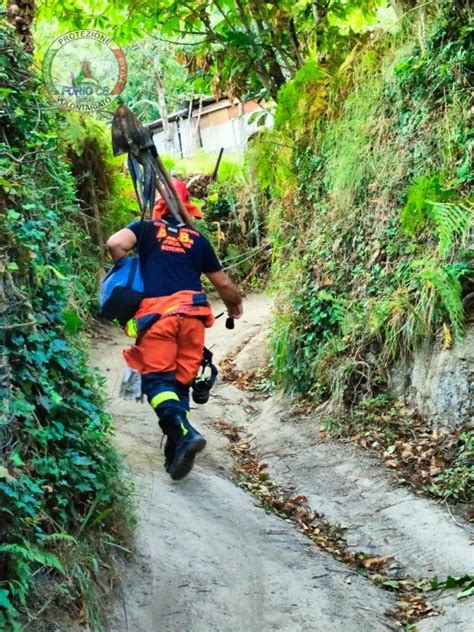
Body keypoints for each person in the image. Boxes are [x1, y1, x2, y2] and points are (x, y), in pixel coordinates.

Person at [106, 178, 243, 481]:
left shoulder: (145, 229)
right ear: (187, 206)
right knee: (179, 384)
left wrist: (129, 272)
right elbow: (222, 283)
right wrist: (235, 307)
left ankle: (184, 433)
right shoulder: (197, 239)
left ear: (157, 207)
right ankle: (176, 451)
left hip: (159, 318)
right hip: (193, 319)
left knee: (156, 383)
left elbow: (115, 244)